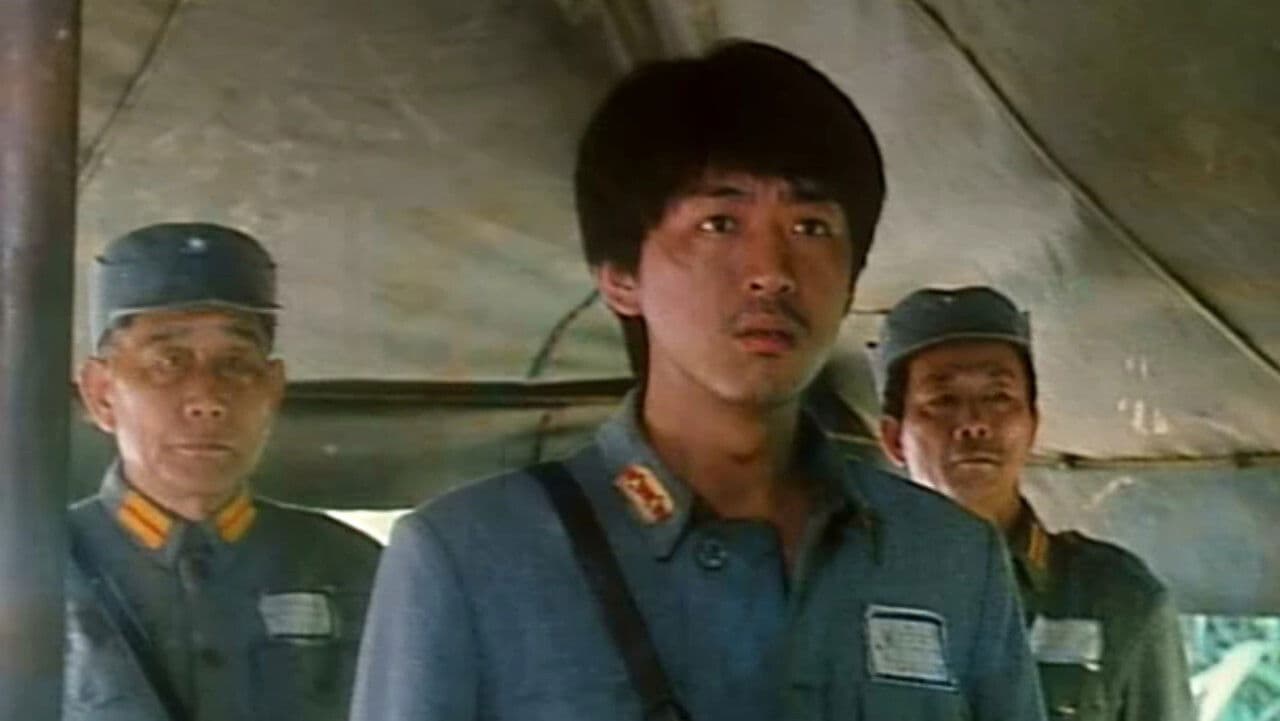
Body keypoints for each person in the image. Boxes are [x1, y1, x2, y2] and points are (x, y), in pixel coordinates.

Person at [350, 41, 1045, 721]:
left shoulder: (950, 559)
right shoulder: (472, 559)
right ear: (621, 276)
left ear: (852, 281)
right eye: (720, 223)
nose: (772, 270)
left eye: (811, 226)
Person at [65, 222, 381, 721]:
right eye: (167, 362)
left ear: (272, 390)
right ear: (102, 394)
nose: (207, 398)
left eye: (236, 364)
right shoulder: (28, 569)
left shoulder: (359, 572)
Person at [874, 285, 1195, 721]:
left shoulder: (1114, 597)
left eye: (999, 397)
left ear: (1032, 424)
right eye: (944, 400)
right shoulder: (841, 586)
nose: (974, 423)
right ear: (894, 438)